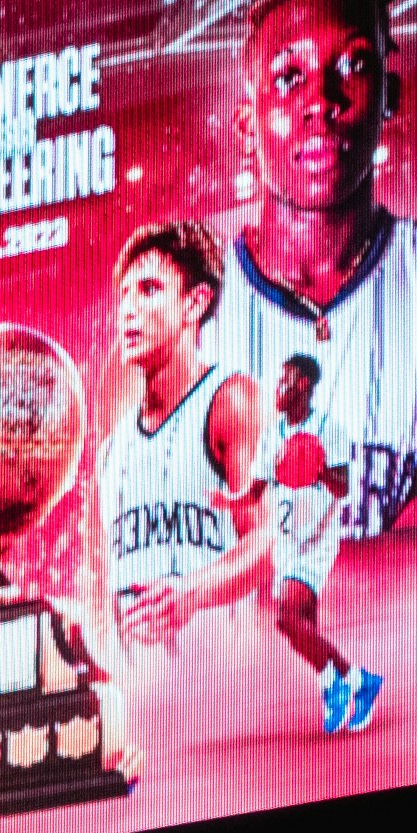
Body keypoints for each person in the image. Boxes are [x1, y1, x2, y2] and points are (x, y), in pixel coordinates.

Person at [209, 0, 417, 597]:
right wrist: (403, 554)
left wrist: (256, 572)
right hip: (256, 700)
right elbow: (165, 608)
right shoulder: (191, 317)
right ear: (246, 126)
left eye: (353, 66)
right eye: (287, 77)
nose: (320, 100)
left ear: (392, 94)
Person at [98, 219, 260, 660]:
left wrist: (190, 593)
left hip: (230, 688)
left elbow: (269, 542)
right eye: (124, 294)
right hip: (144, 712)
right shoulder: (110, 451)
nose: (128, 309)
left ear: (195, 303)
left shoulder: (230, 401)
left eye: (149, 290)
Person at [214, 348, 381, 734]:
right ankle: (356, 681)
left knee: (286, 619)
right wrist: (229, 499)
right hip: (287, 540)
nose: (278, 386)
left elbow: (342, 489)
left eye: (285, 379)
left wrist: (317, 469)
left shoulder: (329, 430)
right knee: (299, 631)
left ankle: (337, 687)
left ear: (302, 384)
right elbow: (256, 490)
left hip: (317, 539)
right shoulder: (273, 435)